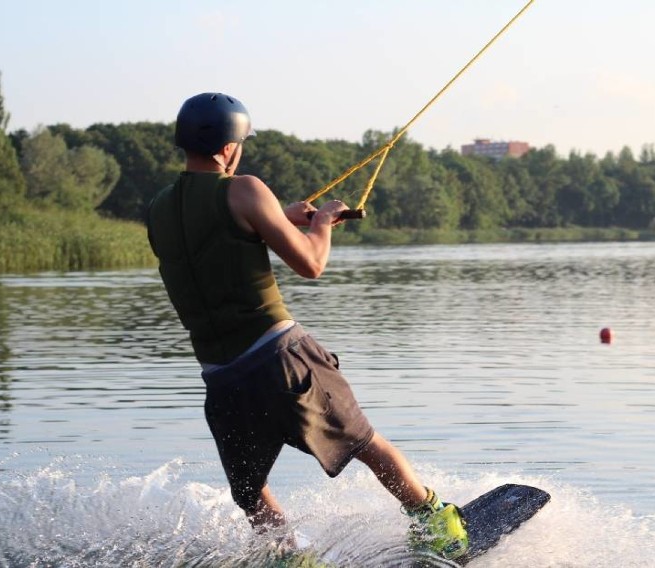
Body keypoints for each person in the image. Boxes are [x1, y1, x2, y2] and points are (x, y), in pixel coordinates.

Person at [146, 92, 468, 559]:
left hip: (221, 377)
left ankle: (288, 558)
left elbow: (216, 241)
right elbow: (311, 264)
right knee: (364, 441)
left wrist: (277, 219)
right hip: (282, 359)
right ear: (228, 146)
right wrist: (323, 223)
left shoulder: (158, 207)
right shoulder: (245, 189)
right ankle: (438, 525)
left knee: (252, 493)